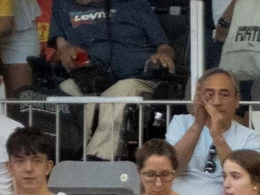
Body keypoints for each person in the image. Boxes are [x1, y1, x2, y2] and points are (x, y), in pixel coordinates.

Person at [49, 0, 176, 161]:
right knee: (67, 88)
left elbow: (164, 47)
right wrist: (67, 52)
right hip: (89, 77)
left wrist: (163, 55)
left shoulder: (135, 3)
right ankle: (68, 154)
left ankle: (97, 158)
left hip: (135, 78)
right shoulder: (62, 4)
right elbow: (62, 48)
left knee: (119, 92)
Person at [166, 69, 260, 195]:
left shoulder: (251, 137)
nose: (216, 102)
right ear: (198, 97)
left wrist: (217, 135)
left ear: (237, 100)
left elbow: (246, 181)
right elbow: (174, 169)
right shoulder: (180, 123)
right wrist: (198, 125)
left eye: (224, 94)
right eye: (209, 94)